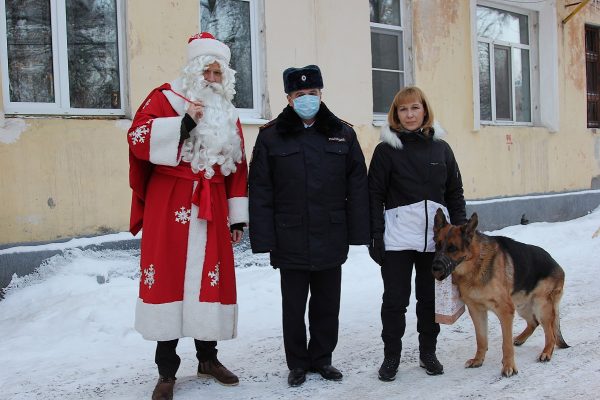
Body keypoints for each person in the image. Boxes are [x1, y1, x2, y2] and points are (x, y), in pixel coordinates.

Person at [127, 32, 248, 400]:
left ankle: (208, 359)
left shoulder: (227, 111)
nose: (212, 79)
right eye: (207, 72)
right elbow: (138, 137)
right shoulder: (164, 98)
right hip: (171, 202)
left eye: (218, 74)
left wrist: (237, 216)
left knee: (208, 279)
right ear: (194, 71)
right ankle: (166, 371)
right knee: (167, 278)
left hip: (212, 204)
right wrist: (183, 124)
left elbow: (239, 167)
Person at [248, 65, 370, 387]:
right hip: (289, 236)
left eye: (312, 94)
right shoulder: (271, 136)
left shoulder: (343, 133)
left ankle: (323, 359)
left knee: (327, 304)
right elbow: (260, 189)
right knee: (294, 306)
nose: (307, 99)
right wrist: (264, 238)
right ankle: (298, 363)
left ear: (321, 95)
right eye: (299, 95)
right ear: (288, 98)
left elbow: (357, 185)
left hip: (331, 233)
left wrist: (360, 232)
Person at [368, 86, 466, 382]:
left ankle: (428, 352)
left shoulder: (441, 149)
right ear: (395, 114)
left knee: (429, 300)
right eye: (403, 109)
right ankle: (391, 356)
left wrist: (460, 236)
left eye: (415, 108)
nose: (409, 114)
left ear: (425, 110)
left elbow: (454, 193)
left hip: (434, 244)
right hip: (397, 240)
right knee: (395, 301)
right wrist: (375, 235)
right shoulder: (387, 150)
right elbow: (374, 195)